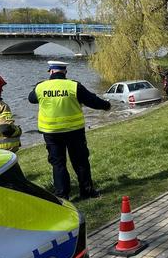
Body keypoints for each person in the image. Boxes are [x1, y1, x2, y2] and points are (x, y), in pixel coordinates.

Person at [28, 61, 110, 200]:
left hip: (51, 133)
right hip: (74, 131)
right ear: (65, 72)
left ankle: (62, 195)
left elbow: (31, 99)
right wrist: (106, 106)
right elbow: (92, 100)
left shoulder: (40, 87)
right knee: (80, 161)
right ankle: (87, 191)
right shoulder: (73, 86)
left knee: (58, 163)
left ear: (51, 71)